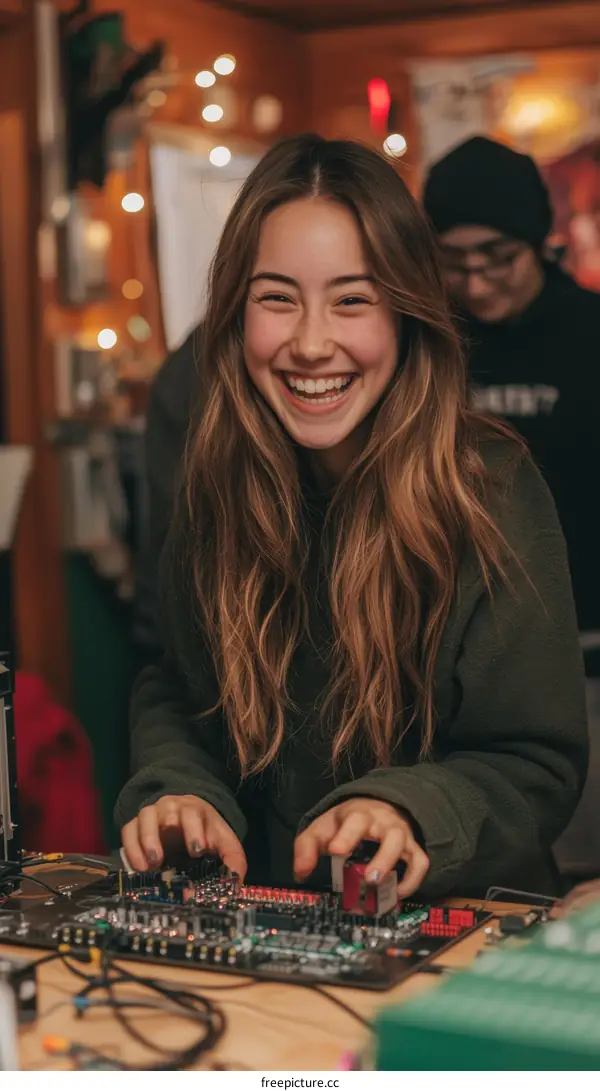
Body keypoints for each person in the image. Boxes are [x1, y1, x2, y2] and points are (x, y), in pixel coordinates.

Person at [117, 134, 587, 900]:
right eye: (276, 298)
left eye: (352, 299)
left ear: (406, 313)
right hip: (262, 947)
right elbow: (177, 691)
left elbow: (535, 764)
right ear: (236, 314)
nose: (310, 343)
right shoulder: (216, 480)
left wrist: (407, 806)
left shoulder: (490, 488)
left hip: (448, 943)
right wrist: (180, 790)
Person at [423, 136, 600, 876]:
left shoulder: (589, 333)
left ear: (538, 242)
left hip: (585, 659)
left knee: (579, 872)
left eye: (498, 257)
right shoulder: (431, 343)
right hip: (448, 659)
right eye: (455, 261)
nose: (477, 280)